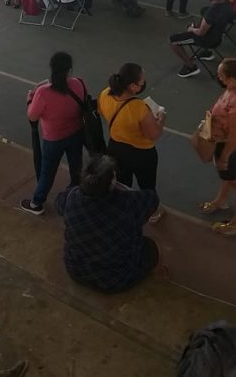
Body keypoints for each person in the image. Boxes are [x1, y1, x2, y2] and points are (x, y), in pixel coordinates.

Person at [55, 155, 160, 293]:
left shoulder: (72, 197)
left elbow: (58, 204)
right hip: (114, 280)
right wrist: (125, 191)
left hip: (77, 270)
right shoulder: (127, 203)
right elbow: (153, 199)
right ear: (112, 183)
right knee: (150, 247)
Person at [19, 53, 87, 215]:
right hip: (76, 133)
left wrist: (30, 100)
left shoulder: (42, 92)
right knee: (76, 167)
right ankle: (77, 196)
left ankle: (36, 203)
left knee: (47, 172)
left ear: (52, 68)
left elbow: (32, 116)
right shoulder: (79, 83)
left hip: (54, 139)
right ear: (69, 69)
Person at [197, 59, 236, 237]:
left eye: (220, 75)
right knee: (228, 177)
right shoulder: (232, 90)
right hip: (224, 143)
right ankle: (221, 200)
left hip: (233, 149)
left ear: (230, 78)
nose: (218, 77)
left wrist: (225, 156)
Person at [98, 63, 165, 223]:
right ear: (133, 86)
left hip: (115, 148)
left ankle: (123, 209)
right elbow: (153, 134)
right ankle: (152, 212)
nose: (144, 84)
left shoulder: (105, 93)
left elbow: (102, 112)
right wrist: (161, 120)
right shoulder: (138, 107)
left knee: (122, 184)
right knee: (147, 185)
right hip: (141, 154)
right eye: (142, 82)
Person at [169, 0, 234, 78]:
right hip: (218, 37)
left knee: (172, 41)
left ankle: (191, 67)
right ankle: (206, 53)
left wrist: (191, 29)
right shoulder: (228, 4)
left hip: (207, 40)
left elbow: (200, 33)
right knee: (203, 13)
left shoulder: (212, 12)